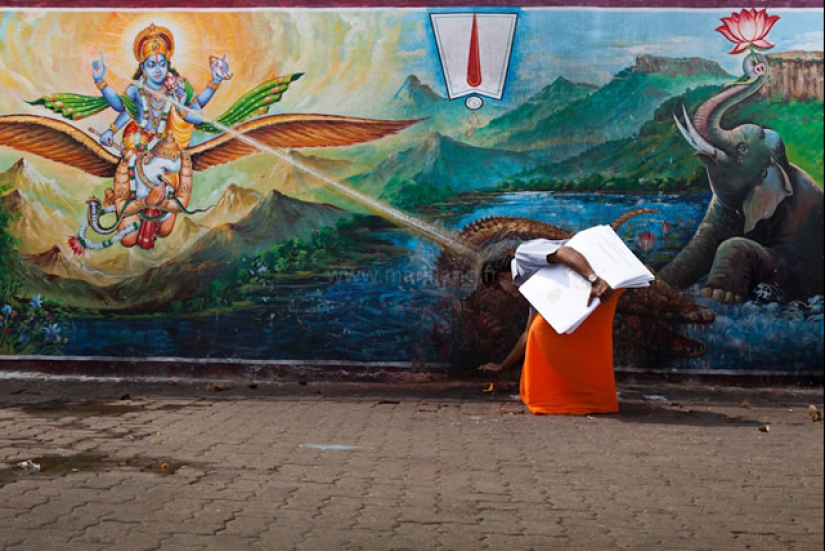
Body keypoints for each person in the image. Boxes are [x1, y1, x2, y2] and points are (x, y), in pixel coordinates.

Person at [478, 238, 624, 415]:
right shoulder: (530, 288)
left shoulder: (524, 254)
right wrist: (503, 366)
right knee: (550, 333)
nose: (502, 292)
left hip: (600, 281)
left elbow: (564, 252)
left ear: (503, 275)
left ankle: (561, 396)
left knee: (543, 331)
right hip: (595, 292)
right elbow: (527, 334)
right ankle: (579, 396)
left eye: (497, 288)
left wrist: (594, 280)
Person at [92, 23, 231, 152]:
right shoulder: (136, 88)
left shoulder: (179, 86)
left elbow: (197, 115)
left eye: (162, 64)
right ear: (143, 68)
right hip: (139, 143)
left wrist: (215, 81)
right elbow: (122, 108)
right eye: (152, 65)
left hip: (170, 146)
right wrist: (100, 82)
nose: (158, 70)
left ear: (167, 64)